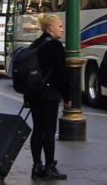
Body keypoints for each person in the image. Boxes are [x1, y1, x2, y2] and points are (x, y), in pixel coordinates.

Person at [26, 14, 71, 180]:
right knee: (49, 131)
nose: (62, 28)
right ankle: (50, 166)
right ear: (50, 28)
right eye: (59, 26)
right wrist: (67, 96)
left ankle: (37, 165)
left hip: (35, 93)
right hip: (50, 94)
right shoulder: (55, 46)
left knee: (38, 129)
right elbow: (61, 73)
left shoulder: (36, 44)